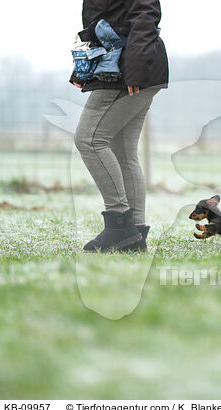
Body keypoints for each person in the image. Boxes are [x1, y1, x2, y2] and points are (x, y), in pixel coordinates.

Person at [72, 0, 168, 253]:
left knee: (89, 139)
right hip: (125, 66)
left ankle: (119, 225)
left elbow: (146, 16)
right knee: (124, 151)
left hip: (128, 68)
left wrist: (134, 69)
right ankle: (134, 235)